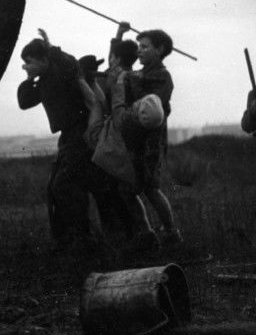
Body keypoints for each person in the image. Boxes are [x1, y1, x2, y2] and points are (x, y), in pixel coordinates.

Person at [17, 30, 129, 244]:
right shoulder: (43, 81)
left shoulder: (63, 69)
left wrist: (50, 47)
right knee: (68, 186)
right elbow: (24, 102)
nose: (26, 66)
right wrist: (29, 77)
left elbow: (69, 61)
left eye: (29, 62)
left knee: (64, 185)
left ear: (44, 59)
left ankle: (81, 239)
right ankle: (86, 238)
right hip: (69, 135)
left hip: (82, 131)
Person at [80, 72, 164, 251]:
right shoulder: (150, 130)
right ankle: (147, 231)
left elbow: (117, 104)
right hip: (131, 172)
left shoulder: (125, 120)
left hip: (103, 147)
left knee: (96, 106)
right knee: (131, 198)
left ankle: (83, 79)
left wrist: (119, 82)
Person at [125, 30, 181, 245]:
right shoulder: (139, 74)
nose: (139, 51)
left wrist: (136, 83)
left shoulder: (163, 77)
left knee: (151, 188)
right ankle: (147, 233)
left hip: (152, 142)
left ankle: (171, 232)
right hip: (135, 140)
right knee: (128, 188)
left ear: (160, 50)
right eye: (139, 47)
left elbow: (152, 107)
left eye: (145, 47)